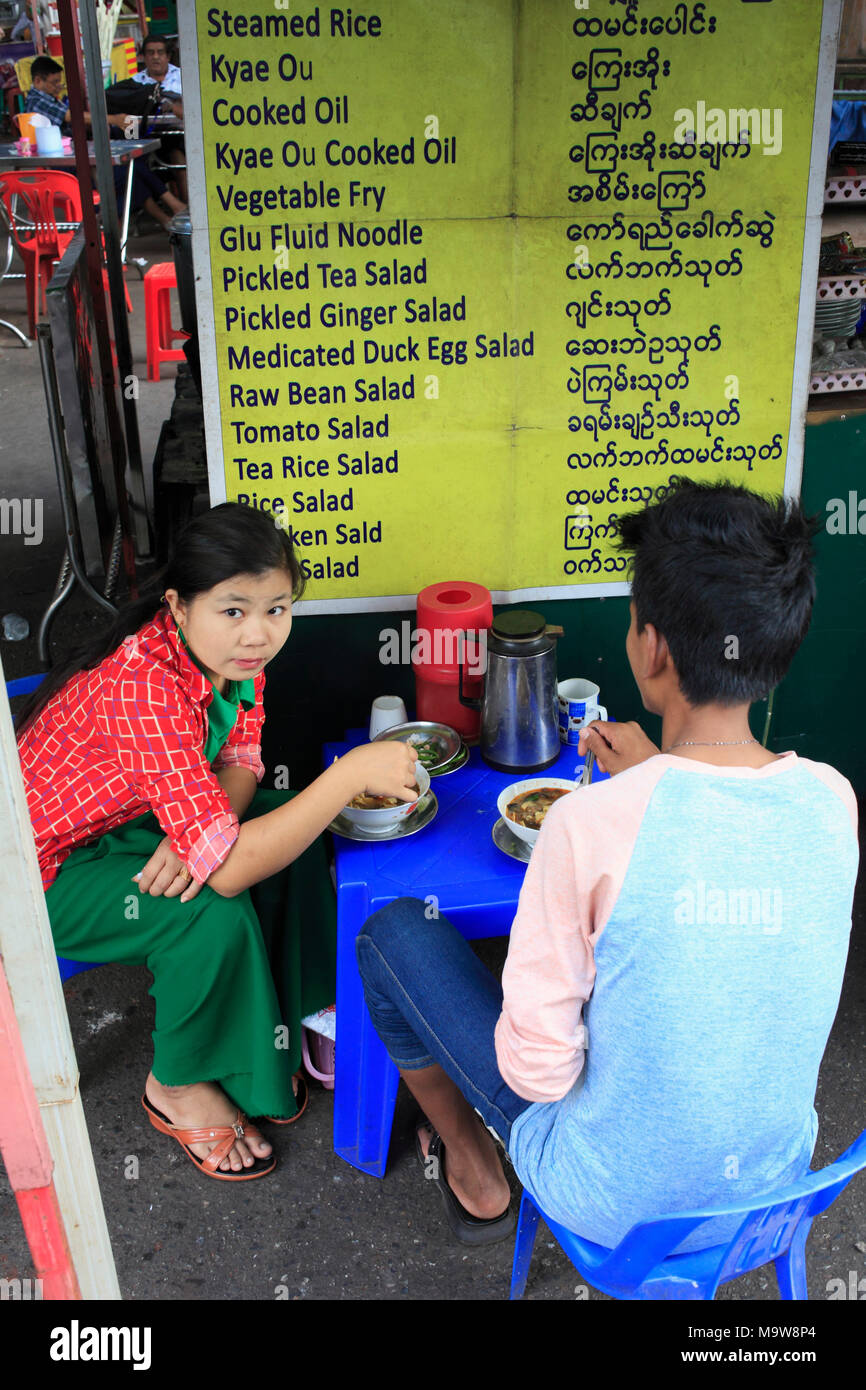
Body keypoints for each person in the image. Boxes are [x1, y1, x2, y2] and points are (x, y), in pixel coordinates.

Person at [356, 478, 859, 1249]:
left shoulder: (588, 825)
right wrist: (660, 773)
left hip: (617, 1212)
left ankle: (476, 1172)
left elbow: (539, 1077)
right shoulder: (833, 803)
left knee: (389, 935)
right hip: (773, 1198)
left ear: (650, 647)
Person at [17, 503, 417, 1182]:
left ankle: (302, 1015)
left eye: (277, 609)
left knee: (284, 823)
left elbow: (240, 757)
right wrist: (346, 775)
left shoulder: (228, 658)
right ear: (177, 605)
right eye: (233, 610)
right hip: (39, 872)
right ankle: (175, 1082)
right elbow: (227, 876)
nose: (258, 634)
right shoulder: (143, 685)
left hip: (128, 820)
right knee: (209, 912)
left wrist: (201, 836)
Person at [25, 56, 185, 231]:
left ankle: (167, 216)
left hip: (77, 159)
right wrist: (113, 119)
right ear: (38, 80)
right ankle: (172, 209)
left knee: (130, 171)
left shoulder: (50, 98)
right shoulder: (37, 101)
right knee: (129, 170)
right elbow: (71, 116)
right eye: (54, 83)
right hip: (66, 167)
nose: (58, 87)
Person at [131, 33, 186, 201]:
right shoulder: (135, 83)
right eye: (150, 53)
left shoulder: (185, 78)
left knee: (177, 154)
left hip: (184, 136)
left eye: (160, 52)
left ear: (168, 56)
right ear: (143, 56)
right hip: (150, 137)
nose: (155, 57)